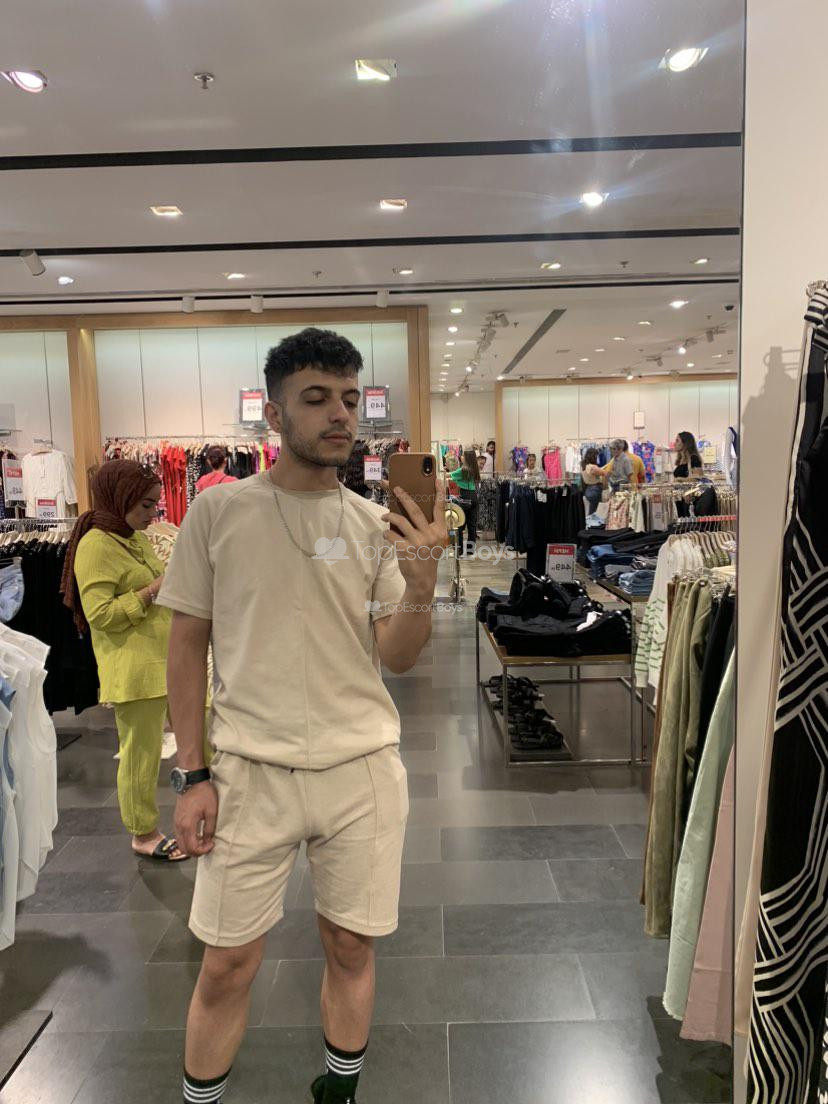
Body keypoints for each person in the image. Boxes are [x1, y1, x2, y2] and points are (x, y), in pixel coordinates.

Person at [157, 327, 447, 1104]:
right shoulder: (217, 513)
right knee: (226, 961)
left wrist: (422, 583)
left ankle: (339, 1091)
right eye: (316, 399)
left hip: (361, 770)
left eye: (349, 398)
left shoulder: (372, 524)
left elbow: (399, 656)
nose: (340, 414)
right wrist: (192, 774)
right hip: (249, 771)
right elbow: (185, 645)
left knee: (351, 944)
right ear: (275, 415)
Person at [60, 460, 190, 862]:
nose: (154, 513)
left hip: (163, 658)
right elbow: (100, 615)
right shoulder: (97, 545)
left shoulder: (132, 537)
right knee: (140, 754)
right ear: (121, 499)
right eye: (146, 505)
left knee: (192, 737)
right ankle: (143, 832)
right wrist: (153, 590)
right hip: (134, 667)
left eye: (155, 504)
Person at [448, 447, 481, 555]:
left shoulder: (463, 470)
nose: (461, 456)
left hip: (464, 497)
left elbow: (449, 475)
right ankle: (470, 550)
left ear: (466, 457)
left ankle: (460, 550)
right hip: (474, 496)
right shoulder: (475, 469)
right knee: (472, 526)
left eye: (463, 455)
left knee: (459, 524)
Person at [580, 448, 605, 515]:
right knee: (594, 512)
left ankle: (589, 521)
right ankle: (590, 521)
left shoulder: (583, 465)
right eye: (596, 456)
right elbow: (604, 473)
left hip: (588, 489)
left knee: (592, 510)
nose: (597, 458)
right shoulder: (592, 467)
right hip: (595, 489)